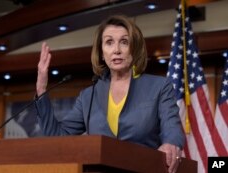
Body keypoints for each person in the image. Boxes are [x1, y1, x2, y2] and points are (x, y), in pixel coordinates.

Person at [35, 15, 184, 173]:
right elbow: (59, 138)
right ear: (101, 51)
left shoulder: (159, 86)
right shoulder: (88, 96)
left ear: (135, 48)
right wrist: (41, 88)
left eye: (124, 42)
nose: (117, 50)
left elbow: (172, 127)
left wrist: (170, 143)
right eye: (109, 42)